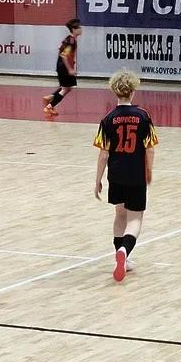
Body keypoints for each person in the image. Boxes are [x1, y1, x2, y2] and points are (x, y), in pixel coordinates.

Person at [93, 70, 158, 283]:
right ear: (133, 90)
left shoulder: (108, 119)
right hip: (136, 174)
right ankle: (124, 251)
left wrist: (98, 179)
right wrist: (149, 170)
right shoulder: (143, 116)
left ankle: (121, 256)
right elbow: (150, 148)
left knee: (119, 215)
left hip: (116, 175)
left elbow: (103, 154)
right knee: (135, 219)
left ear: (114, 91)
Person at [43, 19, 82, 116]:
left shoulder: (68, 39)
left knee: (67, 88)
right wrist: (70, 69)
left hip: (61, 66)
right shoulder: (71, 41)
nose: (81, 29)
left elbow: (60, 49)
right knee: (65, 89)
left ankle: (50, 97)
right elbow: (64, 55)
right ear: (74, 29)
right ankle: (49, 107)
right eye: (79, 28)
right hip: (64, 68)